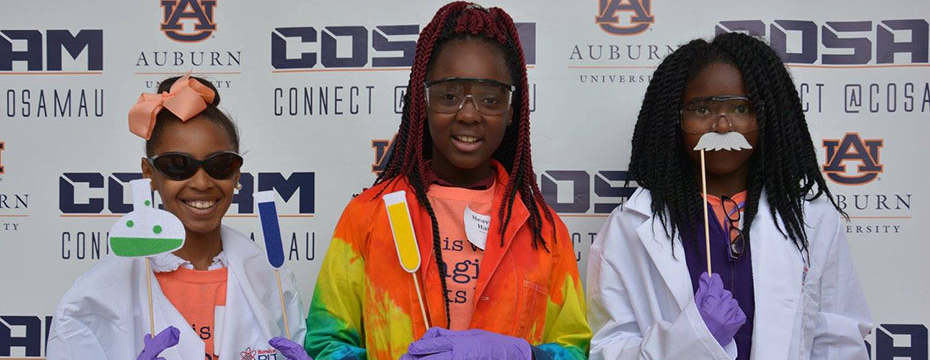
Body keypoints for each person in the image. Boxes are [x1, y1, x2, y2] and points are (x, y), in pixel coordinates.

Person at [304, 2, 591, 360]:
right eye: (449, 96)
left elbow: (576, 350)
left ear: (512, 109)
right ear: (422, 102)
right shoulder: (367, 217)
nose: (468, 114)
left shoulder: (543, 232)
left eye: (489, 99)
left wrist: (522, 355)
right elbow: (324, 343)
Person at [586, 32, 872, 359]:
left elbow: (838, 343)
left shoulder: (813, 220)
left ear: (768, 116)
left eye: (740, 107)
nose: (722, 126)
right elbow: (608, 350)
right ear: (673, 120)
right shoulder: (629, 228)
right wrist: (693, 337)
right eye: (702, 109)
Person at [47, 75, 308, 360]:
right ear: (149, 173)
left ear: (237, 174)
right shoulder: (93, 300)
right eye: (178, 165)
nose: (201, 182)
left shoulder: (271, 281)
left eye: (220, 164)